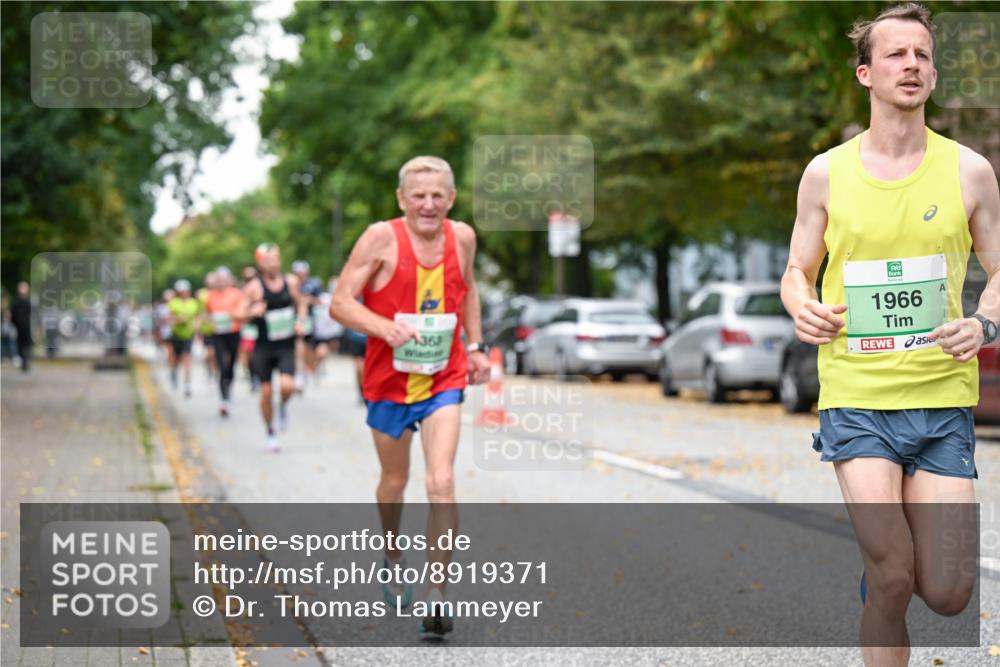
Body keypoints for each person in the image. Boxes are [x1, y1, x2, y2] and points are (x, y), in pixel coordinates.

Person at [779, 4, 999, 665]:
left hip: (940, 401)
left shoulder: (970, 171)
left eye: (923, 55)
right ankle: (884, 571)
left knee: (951, 590)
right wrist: (802, 304)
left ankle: (884, 571)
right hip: (858, 397)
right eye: (897, 54)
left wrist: (984, 320)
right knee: (896, 574)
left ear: (933, 75)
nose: (912, 64)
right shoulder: (826, 172)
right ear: (865, 73)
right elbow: (796, 269)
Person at [330, 155, 490, 635]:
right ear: (401, 198)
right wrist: (384, 328)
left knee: (440, 481)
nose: (428, 204)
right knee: (394, 482)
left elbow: (468, 292)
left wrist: (477, 347)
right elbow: (339, 303)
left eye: (438, 195)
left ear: (452, 198)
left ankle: (436, 591)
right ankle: (392, 554)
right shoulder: (380, 238)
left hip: (444, 376)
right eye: (418, 195)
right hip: (389, 382)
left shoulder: (462, 237)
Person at [239, 244, 308, 452]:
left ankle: (284, 407)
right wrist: (252, 310)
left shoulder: (291, 282)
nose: (273, 263)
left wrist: (301, 321)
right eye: (268, 260)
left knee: (287, 387)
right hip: (264, 347)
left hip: (286, 345)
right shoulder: (254, 287)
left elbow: (302, 303)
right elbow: (237, 313)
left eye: (276, 258)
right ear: (260, 263)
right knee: (267, 393)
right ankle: (270, 431)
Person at [205, 267, 244, 417]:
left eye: (223, 279)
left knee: (232, 364)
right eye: (218, 279)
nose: (221, 282)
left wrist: (233, 316)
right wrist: (209, 323)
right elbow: (207, 314)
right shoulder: (210, 296)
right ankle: (224, 399)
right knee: (222, 364)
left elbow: (242, 311)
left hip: (233, 332)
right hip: (218, 334)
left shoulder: (237, 294)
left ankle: (229, 385)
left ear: (228, 280)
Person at [292, 259, 323, 392]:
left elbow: (320, 301)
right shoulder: (290, 284)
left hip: (310, 321)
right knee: (298, 348)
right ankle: (299, 374)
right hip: (293, 320)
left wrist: (309, 300)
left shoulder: (313, 285)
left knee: (309, 350)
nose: (300, 275)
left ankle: (309, 369)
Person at [167, 280, 201, 397]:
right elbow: (169, 320)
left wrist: (196, 328)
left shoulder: (194, 303)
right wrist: (178, 320)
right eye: (182, 291)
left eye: (185, 291)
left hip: (188, 335)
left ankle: (187, 384)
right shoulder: (174, 303)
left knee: (187, 358)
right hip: (176, 335)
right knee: (176, 358)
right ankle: (174, 371)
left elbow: (197, 317)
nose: (184, 293)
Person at [11, 282, 32, 373]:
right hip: (21, 327)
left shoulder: (20, 301)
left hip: (25, 327)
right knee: (22, 344)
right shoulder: (19, 301)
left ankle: (25, 362)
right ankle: (24, 362)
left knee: (25, 345)